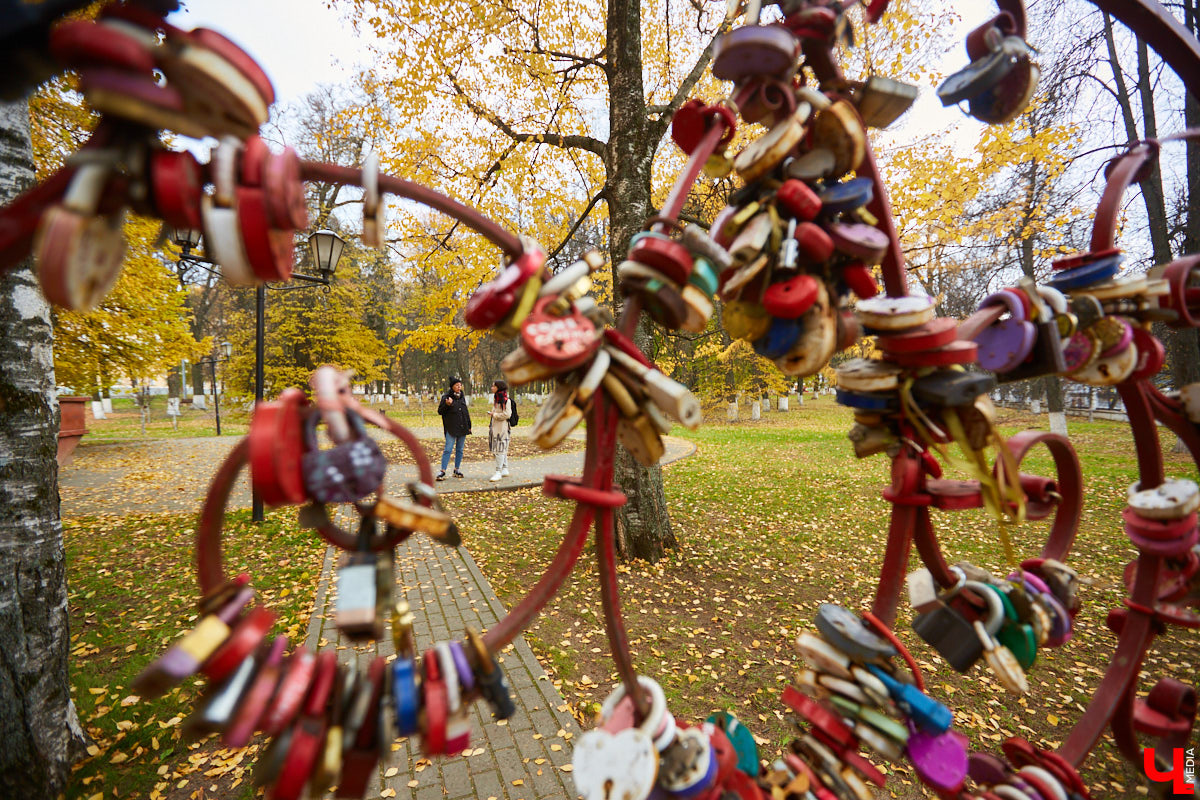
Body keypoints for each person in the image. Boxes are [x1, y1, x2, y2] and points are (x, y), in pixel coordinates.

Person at [436, 376, 471, 480]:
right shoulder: (446, 397)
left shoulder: (461, 396)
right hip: (451, 428)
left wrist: (469, 426)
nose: (459, 387)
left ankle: (456, 469)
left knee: (460, 449)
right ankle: (442, 471)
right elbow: (440, 411)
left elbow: (465, 411)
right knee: (448, 449)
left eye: (460, 385)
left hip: (462, 427)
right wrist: (448, 405)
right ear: (452, 387)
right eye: (457, 385)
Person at [487, 379, 513, 482]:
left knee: (500, 449)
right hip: (495, 427)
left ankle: (498, 472)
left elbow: (507, 414)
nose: (492, 388)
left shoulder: (506, 400)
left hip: (502, 428)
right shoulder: (496, 399)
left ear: (499, 387)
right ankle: (504, 469)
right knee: (499, 449)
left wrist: (495, 415)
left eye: (494, 386)